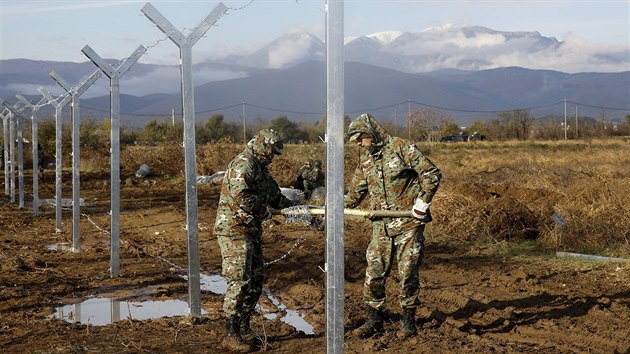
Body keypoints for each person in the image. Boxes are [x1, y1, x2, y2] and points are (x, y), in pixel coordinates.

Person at [344, 113, 441, 339]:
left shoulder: (401, 148)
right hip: (381, 227)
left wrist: (423, 201)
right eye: (355, 140)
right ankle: (374, 319)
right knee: (374, 273)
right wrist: (330, 209)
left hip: (408, 223)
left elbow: (431, 173)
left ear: (371, 132)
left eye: (360, 137)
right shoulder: (366, 161)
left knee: (408, 272)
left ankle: (408, 322)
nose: (359, 143)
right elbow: (355, 194)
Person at [213, 128, 294, 352]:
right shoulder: (243, 164)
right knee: (238, 280)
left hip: (251, 231)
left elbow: (275, 196)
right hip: (234, 231)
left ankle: (244, 325)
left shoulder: (261, 169)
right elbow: (242, 196)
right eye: (270, 152)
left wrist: (298, 209)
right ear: (263, 146)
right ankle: (231, 333)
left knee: (256, 281)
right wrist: (263, 212)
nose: (271, 157)